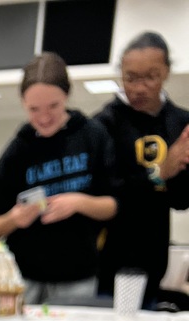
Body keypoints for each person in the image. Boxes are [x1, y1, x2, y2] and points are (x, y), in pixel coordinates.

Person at [0, 52, 119, 305]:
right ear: (23, 103)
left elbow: (113, 206)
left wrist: (78, 202)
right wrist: (15, 218)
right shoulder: (18, 150)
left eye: (53, 106)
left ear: (67, 96)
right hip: (22, 277)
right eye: (33, 109)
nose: (44, 118)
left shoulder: (93, 136)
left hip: (78, 275)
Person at [94, 31, 189, 306]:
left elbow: (181, 200)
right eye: (130, 77)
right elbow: (108, 193)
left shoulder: (180, 123)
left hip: (153, 257)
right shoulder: (104, 125)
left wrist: (177, 171)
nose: (139, 87)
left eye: (151, 76)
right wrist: (159, 172)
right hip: (108, 257)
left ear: (167, 72)